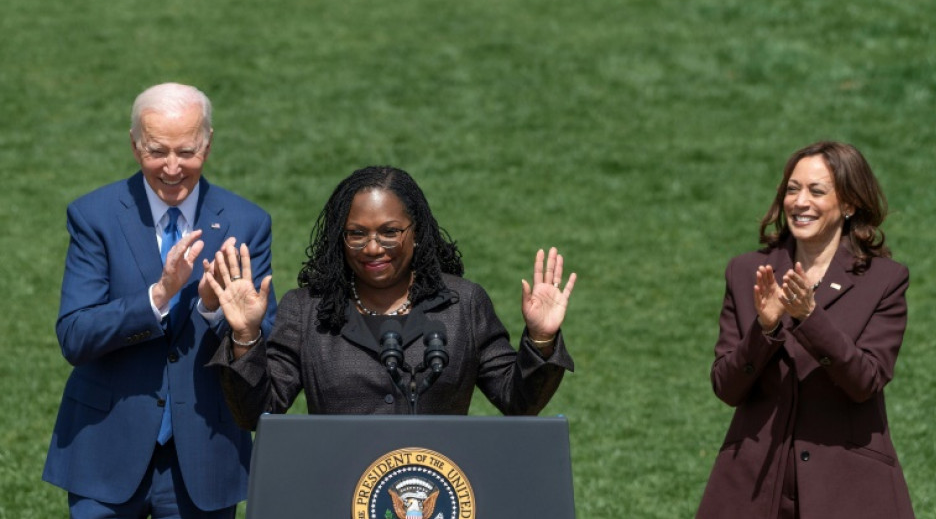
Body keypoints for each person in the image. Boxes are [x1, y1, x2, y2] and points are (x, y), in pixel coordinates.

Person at [43, 83, 278, 518]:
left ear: (207, 145)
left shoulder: (247, 223)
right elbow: (75, 336)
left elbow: (265, 343)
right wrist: (159, 295)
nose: (172, 168)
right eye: (157, 151)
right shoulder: (94, 216)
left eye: (186, 151)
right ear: (135, 146)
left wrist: (215, 311)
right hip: (106, 449)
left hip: (205, 455)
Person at [205, 166, 576, 425]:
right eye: (356, 233)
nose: (372, 248)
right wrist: (245, 338)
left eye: (389, 232)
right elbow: (256, 413)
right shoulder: (307, 310)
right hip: (339, 491)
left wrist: (542, 340)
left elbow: (518, 401)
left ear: (416, 233)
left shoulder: (463, 305)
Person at [696, 141, 914, 518]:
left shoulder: (884, 280)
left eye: (817, 191)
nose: (800, 202)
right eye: (792, 189)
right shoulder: (747, 271)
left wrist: (811, 318)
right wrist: (764, 330)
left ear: (848, 204)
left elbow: (865, 381)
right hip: (756, 483)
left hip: (848, 485)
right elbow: (726, 387)